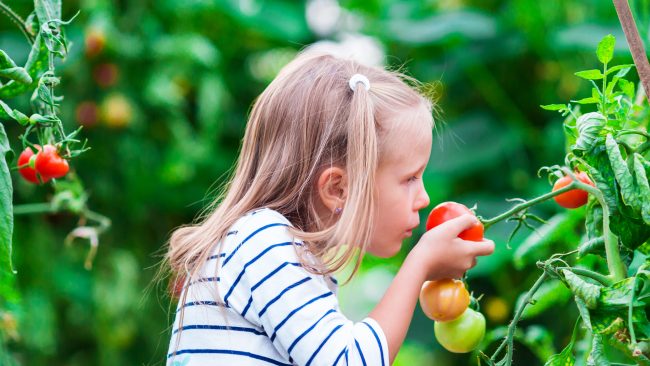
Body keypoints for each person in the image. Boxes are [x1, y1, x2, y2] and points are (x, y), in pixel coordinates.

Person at [163, 48, 495, 366]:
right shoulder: (263, 242)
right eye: (409, 178)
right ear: (337, 189)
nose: (424, 198)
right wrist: (419, 264)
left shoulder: (278, 251)